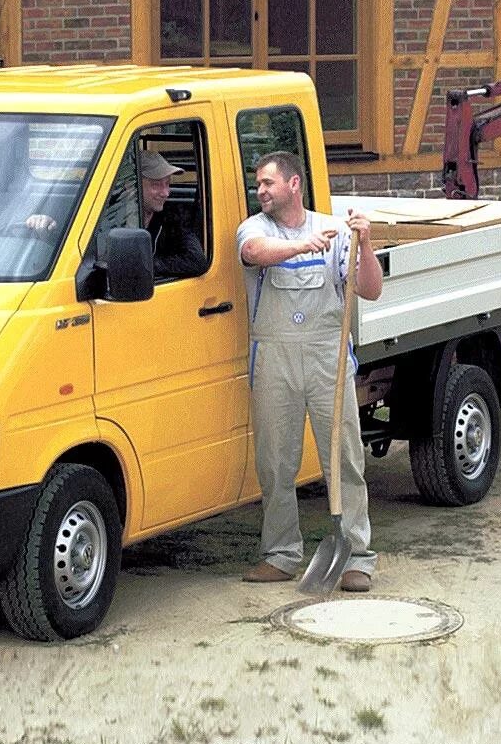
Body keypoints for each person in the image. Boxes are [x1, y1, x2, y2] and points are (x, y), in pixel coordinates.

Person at [235, 150, 383, 592]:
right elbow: (252, 252)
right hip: (274, 358)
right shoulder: (256, 228)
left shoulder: (335, 231)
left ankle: (358, 555)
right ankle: (281, 553)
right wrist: (300, 246)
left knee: (343, 459)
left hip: (327, 359)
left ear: (294, 184)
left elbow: (370, 290)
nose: (260, 190)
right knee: (276, 461)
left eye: (268, 183)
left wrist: (367, 241)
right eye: (258, 184)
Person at [138, 150, 207, 279]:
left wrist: (145, 265)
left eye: (167, 184)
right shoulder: (112, 218)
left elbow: (196, 262)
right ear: (131, 185)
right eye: (156, 185)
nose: (166, 193)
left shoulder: (172, 218)